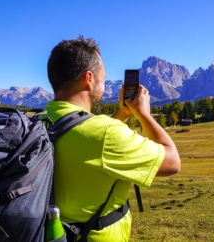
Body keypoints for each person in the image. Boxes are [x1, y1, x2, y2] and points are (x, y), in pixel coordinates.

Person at [45, 36, 181, 241]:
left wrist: (123, 113)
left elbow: (83, 130)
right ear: (89, 79)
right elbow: (172, 162)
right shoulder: (106, 134)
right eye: (103, 78)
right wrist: (143, 113)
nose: (105, 87)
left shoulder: (37, 122)